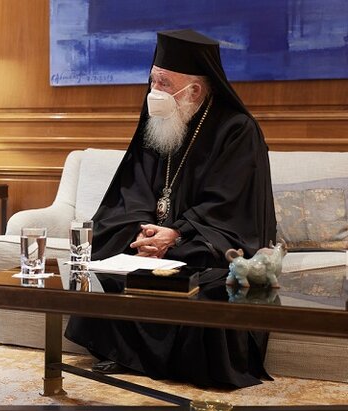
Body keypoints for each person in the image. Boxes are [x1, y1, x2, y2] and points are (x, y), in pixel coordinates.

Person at [64, 29, 277, 388]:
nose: (154, 93)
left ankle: (175, 364)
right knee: (109, 251)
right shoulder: (158, 122)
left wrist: (176, 233)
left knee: (206, 276)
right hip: (152, 237)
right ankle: (126, 356)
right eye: (153, 81)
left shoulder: (238, 130)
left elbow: (231, 206)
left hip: (204, 237)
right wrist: (141, 230)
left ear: (194, 89)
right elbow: (132, 189)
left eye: (163, 83)